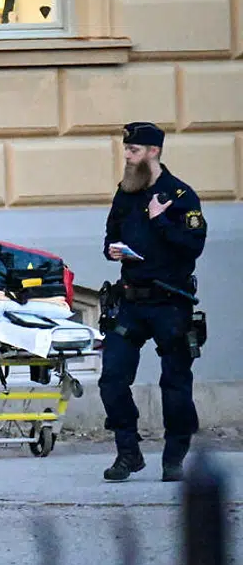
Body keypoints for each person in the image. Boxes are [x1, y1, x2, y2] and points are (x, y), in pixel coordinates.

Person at [99, 121, 207, 483]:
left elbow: (193, 246)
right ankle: (128, 453)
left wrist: (161, 222)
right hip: (130, 301)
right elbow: (111, 233)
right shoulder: (126, 191)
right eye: (125, 150)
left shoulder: (180, 195)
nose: (127, 156)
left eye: (133, 151)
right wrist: (112, 250)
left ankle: (174, 457)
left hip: (170, 303)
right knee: (112, 377)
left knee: (175, 383)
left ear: (153, 152)